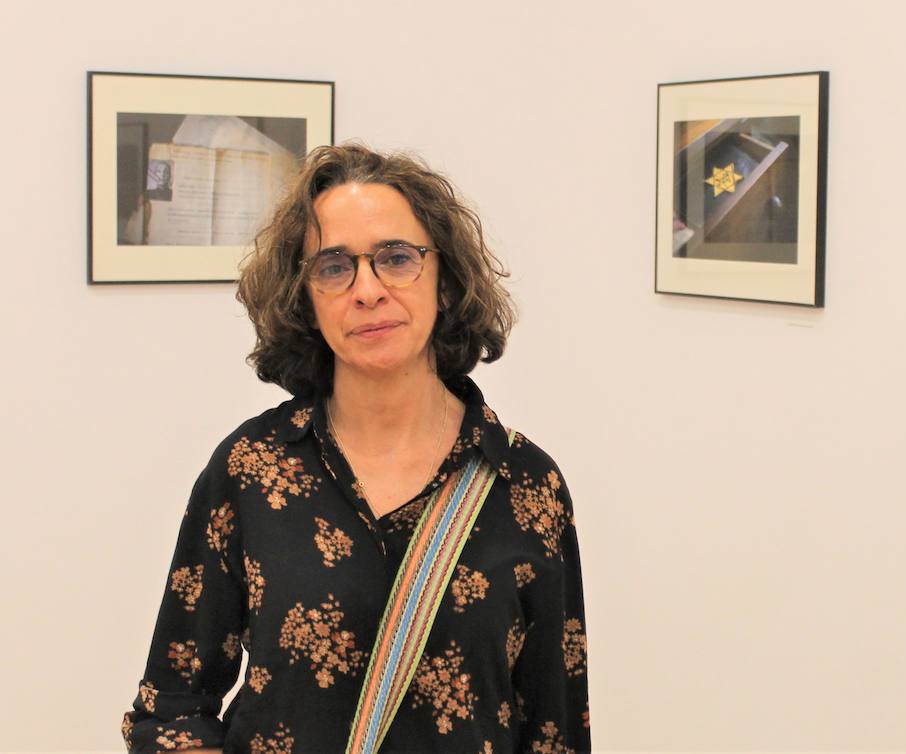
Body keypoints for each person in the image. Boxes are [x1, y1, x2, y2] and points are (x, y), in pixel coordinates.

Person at [120, 144, 590, 754]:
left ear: (445, 282)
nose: (367, 290)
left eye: (397, 258)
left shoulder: (525, 484)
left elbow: (555, 732)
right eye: (334, 267)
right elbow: (171, 709)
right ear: (307, 299)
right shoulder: (251, 468)